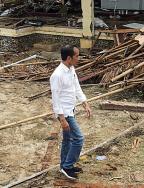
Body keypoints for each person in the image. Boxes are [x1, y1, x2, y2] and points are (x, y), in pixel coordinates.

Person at [50, 45, 92, 180]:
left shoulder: (71, 69)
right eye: (76, 56)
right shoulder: (57, 75)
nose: (78, 59)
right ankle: (68, 166)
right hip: (65, 113)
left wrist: (85, 103)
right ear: (69, 58)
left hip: (71, 109)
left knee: (67, 140)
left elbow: (77, 88)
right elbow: (55, 98)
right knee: (79, 139)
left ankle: (64, 166)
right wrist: (62, 119)